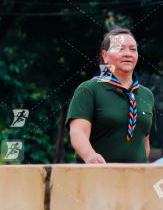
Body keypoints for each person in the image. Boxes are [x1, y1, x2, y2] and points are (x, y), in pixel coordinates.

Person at [67, 28, 156, 164]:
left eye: (133, 49)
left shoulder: (146, 94)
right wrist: (90, 156)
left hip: (136, 180)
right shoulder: (89, 89)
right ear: (105, 55)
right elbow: (78, 132)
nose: (127, 54)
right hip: (98, 177)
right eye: (120, 49)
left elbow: (144, 141)